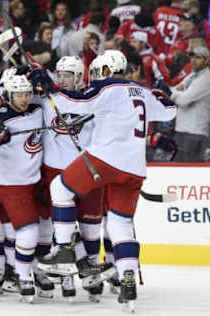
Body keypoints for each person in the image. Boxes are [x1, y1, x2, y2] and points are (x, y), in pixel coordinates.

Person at [35, 50, 177, 311]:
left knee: (60, 188)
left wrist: (50, 88)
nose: (96, 76)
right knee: (121, 225)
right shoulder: (143, 91)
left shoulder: (107, 86)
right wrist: (161, 93)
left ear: (106, 70)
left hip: (106, 158)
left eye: (99, 72)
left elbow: (74, 103)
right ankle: (128, 281)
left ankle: (65, 248)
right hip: (135, 168)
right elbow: (169, 111)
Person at [0, 74, 44, 303]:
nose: (24, 99)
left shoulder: (37, 110)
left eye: (27, 94)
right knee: (28, 232)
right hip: (10, 184)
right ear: (9, 95)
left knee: (24, 233)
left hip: (34, 182)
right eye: (19, 95)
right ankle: (25, 277)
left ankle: (21, 270)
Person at [170, 45, 210, 162]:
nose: (193, 60)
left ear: (207, 60)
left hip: (195, 132)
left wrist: (176, 93)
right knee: (178, 174)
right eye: (192, 57)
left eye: (198, 57)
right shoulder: (192, 75)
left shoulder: (206, 78)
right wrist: (177, 92)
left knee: (190, 174)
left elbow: (183, 101)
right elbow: (174, 90)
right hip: (183, 130)